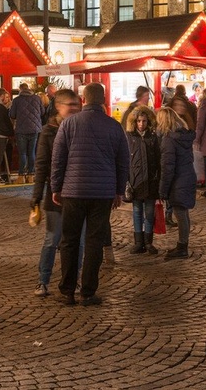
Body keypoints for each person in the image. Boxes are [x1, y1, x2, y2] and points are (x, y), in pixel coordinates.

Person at [50, 84, 130, 306]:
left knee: (69, 241)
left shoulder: (68, 124)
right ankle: (88, 292)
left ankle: (67, 291)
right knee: (95, 242)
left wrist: (56, 188)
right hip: (102, 194)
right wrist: (118, 191)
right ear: (103, 100)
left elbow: (58, 160)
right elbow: (123, 161)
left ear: (84, 99)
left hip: (73, 192)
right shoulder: (114, 127)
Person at [32, 89, 80, 296]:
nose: (74, 108)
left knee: (78, 240)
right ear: (59, 106)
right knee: (52, 239)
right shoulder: (49, 131)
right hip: (56, 194)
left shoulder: (81, 128)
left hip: (78, 193)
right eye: (69, 104)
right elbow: (41, 165)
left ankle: (73, 280)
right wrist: (36, 196)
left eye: (76, 104)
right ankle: (43, 280)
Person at [158, 106, 197, 259]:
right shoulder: (184, 137)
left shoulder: (169, 140)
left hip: (178, 180)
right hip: (187, 176)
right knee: (183, 213)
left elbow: (168, 167)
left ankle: (182, 247)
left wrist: (163, 190)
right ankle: (182, 244)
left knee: (180, 213)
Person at [124, 105, 161, 254]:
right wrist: (127, 180)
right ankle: (139, 242)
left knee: (150, 213)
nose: (141, 124)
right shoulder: (130, 137)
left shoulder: (153, 137)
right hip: (136, 181)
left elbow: (158, 159)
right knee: (137, 211)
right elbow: (125, 160)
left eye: (144, 121)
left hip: (151, 181)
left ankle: (148, 242)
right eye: (139, 121)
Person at [10, 83, 44, 184]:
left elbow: (12, 114)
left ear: (20, 89)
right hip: (34, 129)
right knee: (32, 152)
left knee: (23, 153)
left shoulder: (16, 100)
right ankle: (31, 176)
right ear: (28, 88)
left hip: (21, 130)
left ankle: (21, 176)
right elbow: (42, 112)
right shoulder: (37, 98)